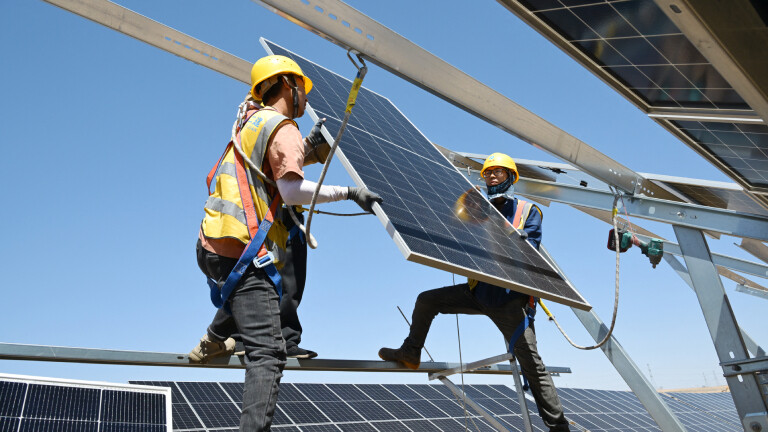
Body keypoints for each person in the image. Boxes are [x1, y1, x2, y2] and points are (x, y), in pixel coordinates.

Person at [197, 55, 382, 431]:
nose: (306, 99)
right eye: (302, 88)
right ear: (287, 84)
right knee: (267, 353)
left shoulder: (250, 120)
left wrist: (310, 149)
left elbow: (270, 169)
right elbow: (291, 190)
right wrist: (348, 192)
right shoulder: (282, 126)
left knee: (256, 295)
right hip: (244, 250)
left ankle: (213, 339)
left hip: (214, 243)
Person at [378, 153, 570, 432]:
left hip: (509, 299)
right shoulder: (475, 210)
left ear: (510, 177)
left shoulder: (529, 210)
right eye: (488, 173)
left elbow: (529, 250)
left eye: (498, 173)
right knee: (427, 300)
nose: (491, 177)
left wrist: (495, 222)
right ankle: (411, 352)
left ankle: (558, 427)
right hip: (479, 291)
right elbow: (452, 231)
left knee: (533, 366)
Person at [190, 207, 316, 363]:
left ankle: (286, 338)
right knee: (252, 284)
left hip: (288, 219)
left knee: (290, 285)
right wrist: (344, 194)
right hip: (260, 218)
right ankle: (236, 338)